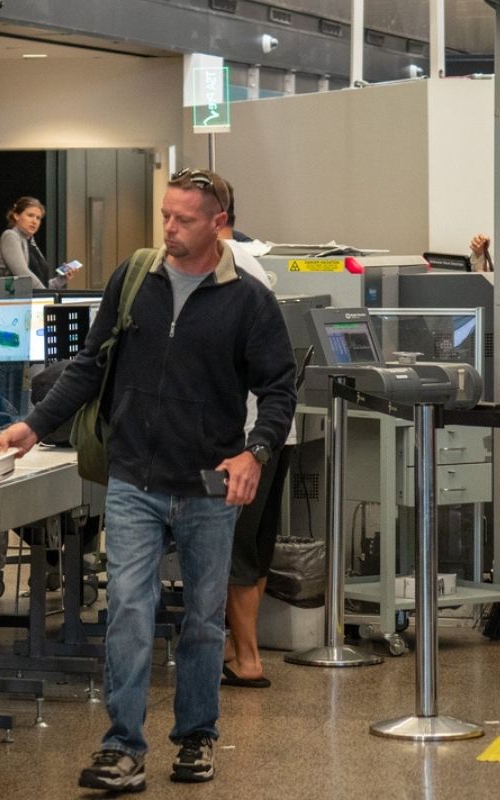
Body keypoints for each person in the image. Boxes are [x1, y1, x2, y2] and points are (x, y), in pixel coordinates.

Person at [0, 168, 295, 792]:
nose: (170, 229)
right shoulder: (137, 278)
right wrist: (34, 424)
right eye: (165, 216)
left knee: (205, 619)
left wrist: (255, 452)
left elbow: (278, 388)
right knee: (129, 609)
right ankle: (122, 746)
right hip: (134, 477)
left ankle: (197, 736)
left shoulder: (248, 299)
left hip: (208, 482)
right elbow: (89, 366)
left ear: (219, 224)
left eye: (184, 220)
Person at [218, 183, 296, 689]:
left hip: (245, 434)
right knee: (258, 544)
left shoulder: (229, 266)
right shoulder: (254, 257)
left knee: (237, 549)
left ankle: (246, 659)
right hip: (273, 431)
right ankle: (238, 646)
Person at [0, 196, 77, 289]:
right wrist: (46, 295)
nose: (34, 221)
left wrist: (61, 279)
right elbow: (23, 274)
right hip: (12, 300)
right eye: (30, 215)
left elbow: (42, 284)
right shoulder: (11, 236)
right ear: (16, 216)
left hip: (33, 299)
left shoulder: (31, 242)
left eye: (38, 218)